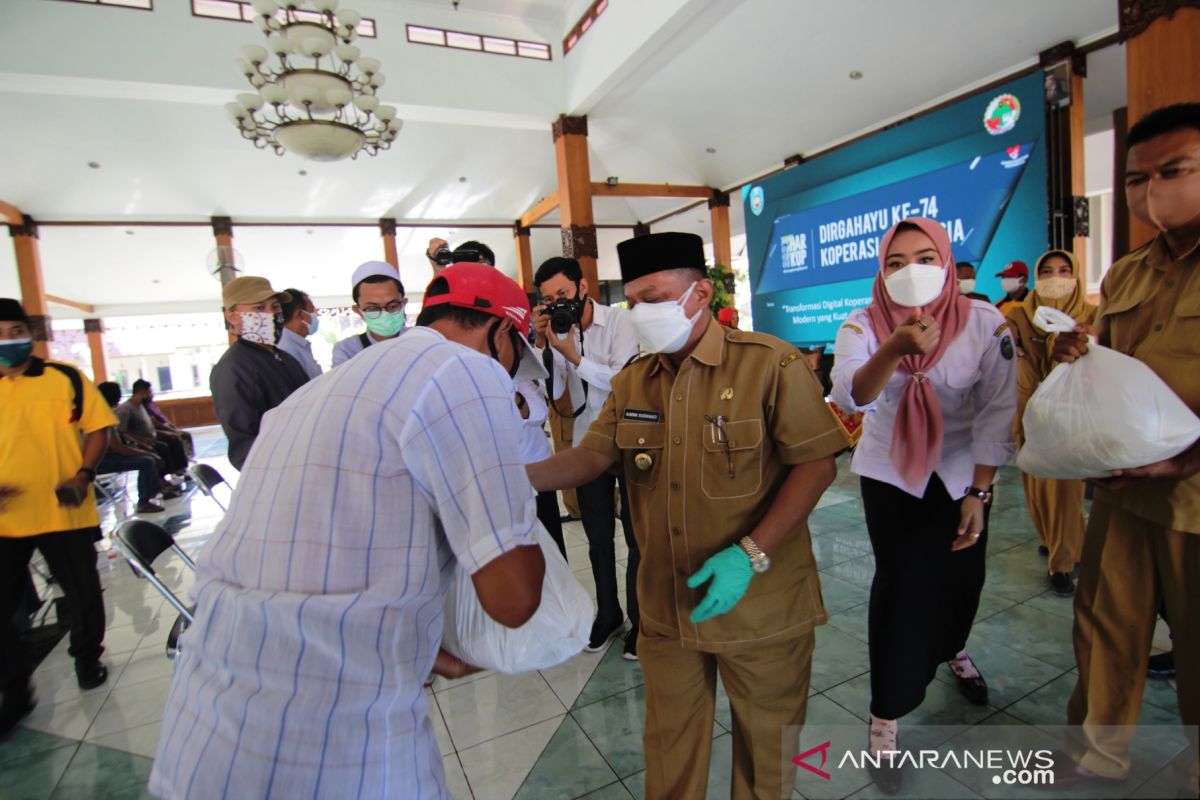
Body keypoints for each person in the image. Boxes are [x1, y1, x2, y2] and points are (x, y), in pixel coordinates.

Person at [152, 264, 549, 798]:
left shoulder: (319, 391)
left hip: (203, 735)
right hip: (334, 741)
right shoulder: (466, 370)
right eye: (516, 353)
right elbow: (513, 599)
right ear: (500, 333)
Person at [527, 232, 847, 798]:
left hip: (760, 607)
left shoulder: (769, 364)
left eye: (655, 297)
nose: (641, 313)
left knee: (766, 755)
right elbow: (592, 456)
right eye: (633, 301)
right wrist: (511, 478)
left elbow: (816, 466)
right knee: (670, 750)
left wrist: (750, 554)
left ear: (699, 293)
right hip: (669, 607)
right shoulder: (634, 378)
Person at [830, 217, 1017, 794]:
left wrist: (980, 494)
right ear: (881, 272)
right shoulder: (861, 324)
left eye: (925, 257)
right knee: (903, 589)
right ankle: (887, 713)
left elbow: (995, 410)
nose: (911, 271)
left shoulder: (986, 324)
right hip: (893, 475)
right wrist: (895, 347)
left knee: (963, 579)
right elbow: (850, 395)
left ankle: (952, 646)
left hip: (962, 474)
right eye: (895, 262)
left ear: (948, 262)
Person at [1049, 102, 1200, 791]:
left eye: (1173, 171)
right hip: (1124, 487)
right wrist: (1079, 351)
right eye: (1138, 178)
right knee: (1106, 628)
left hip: (1195, 494)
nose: (1150, 191)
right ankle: (1095, 756)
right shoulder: (1131, 271)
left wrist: (1183, 461)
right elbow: (1114, 364)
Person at [0, 298, 116, 738]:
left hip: (63, 509)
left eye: (16, 332)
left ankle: (87, 657)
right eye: (1, 334)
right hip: (6, 519)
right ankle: (14, 687)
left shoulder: (63, 377)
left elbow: (98, 428)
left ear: (29, 332)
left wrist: (84, 473)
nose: (9, 341)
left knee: (82, 592)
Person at [532, 255, 642, 658]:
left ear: (582, 287)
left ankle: (640, 621)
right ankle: (608, 614)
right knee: (597, 539)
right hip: (588, 445)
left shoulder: (621, 323)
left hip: (630, 440)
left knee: (636, 537)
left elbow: (623, 382)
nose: (559, 303)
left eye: (563, 294)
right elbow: (555, 391)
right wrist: (546, 346)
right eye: (549, 300)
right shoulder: (559, 332)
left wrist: (574, 356)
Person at [1005, 249, 1095, 596]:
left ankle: (1061, 563)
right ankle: (1055, 541)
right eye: (1046, 271)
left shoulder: (1091, 315)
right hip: (1028, 413)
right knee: (1036, 489)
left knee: (1063, 491)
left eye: (1063, 270)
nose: (1055, 278)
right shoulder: (1018, 317)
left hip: (1070, 418)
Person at [209, 276, 309, 471]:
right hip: (278, 473)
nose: (270, 315)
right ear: (233, 316)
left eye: (275, 307)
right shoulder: (233, 368)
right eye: (259, 308)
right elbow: (245, 446)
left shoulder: (284, 359)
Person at [96, 381, 177, 514]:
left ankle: (157, 490)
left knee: (152, 453)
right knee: (146, 461)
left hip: (108, 456)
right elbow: (117, 447)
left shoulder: (107, 413)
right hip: (101, 461)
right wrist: (143, 452)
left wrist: (143, 450)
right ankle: (143, 503)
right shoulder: (102, 416)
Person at [331, 262, 408, 367]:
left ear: (403, 304)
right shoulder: (347, 351)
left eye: (392, 306)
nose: (384, 315)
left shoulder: (421, 340)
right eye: (373, 309)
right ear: (358, 311)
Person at [117, 379, 188, 477]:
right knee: (162, 447)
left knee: (174, 439)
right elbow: (123, 432)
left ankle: (179, 470)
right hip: (138, 442)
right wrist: (142, 441)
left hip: (151, 437)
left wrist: (171, 431)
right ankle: (162, 479)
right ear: (142, 393)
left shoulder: (141, 406)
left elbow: (152, 422)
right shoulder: (125, 409)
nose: (151, 395)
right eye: (149, 393)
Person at [275, 287, 323, 380]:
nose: (316, 315)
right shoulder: (286, 349)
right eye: (312, 311)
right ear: (300, 314)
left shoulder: (298, 345)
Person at [424, 237, 495, 276]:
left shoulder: (502, 290)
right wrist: (438, 268)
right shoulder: (453, 294)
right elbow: (438, 299)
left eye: (483, 264)